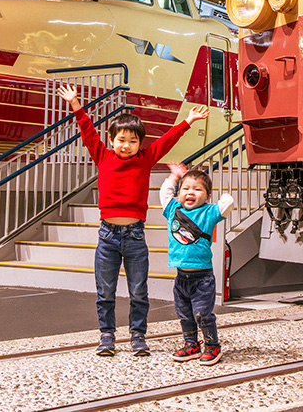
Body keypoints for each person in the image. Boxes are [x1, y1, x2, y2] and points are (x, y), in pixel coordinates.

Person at [56, 84, 208, 357]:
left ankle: (138, 336)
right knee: (105, 291)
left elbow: (166, 140)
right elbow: (88, 131)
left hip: (135, 236)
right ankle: (107, 336)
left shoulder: (144, 159)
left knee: (139, 291)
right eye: (121, 140)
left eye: (133, 141)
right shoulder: (102, 156)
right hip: (107, 237)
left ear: (140, 143)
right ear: (111, 139)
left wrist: (188, 121)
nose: (126, 146)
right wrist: (76, 104)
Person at [160, 163, 234, 366]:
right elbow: (164, 194)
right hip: (181, 277)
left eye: (197, 189)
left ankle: (212, 346)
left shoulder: (209, 212)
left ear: (207, 197)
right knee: (184, 314)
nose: (190, 192)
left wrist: (225, 197)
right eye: (185, 188)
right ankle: (191, 344)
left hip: (203, 278)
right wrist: (174, 177)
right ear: (179, 193)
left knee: (202, 314)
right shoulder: (173, 209)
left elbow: (227, 204)